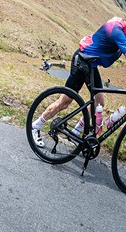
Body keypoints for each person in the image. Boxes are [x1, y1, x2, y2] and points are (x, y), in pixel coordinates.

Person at [31, 17, 126, 146]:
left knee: (99, 103)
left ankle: (76, 132)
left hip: (90, 64)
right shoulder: (116, 30)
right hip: (82, 60)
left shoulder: (121, 27)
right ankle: (35, 126)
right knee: (64, 102)